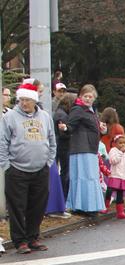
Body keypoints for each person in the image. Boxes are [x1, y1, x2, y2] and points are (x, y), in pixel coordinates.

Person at [0, 80, 57, 254]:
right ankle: (20, 241)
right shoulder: (9, 117)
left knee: (37, 205)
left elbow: (52, 140)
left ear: (34, 101)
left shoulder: (45, 117)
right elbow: (3, 142)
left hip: (40, 169)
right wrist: (7, 165)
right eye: (21, 100)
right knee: (17, 206)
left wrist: (49, 161)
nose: (24, 103)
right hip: (17, 169)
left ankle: (33, 237)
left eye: (28, 100)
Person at [66, 84, 105, 215]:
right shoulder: (78, 109)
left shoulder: (91, 110)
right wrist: (65, 128)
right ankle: (83, 207)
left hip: (90, 147)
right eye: (86, 96)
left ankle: (88, 206)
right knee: (84, 177)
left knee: (90, 177)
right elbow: (70, 126)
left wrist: (103, 130)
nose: (88, 99)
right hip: (81, 148)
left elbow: (93, 129)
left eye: (91, 97)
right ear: (80, 96)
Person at [106, 134, 125, 219]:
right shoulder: (113, 150)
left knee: (120, 193)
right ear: (115, 143)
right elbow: (113, 161)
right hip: (115, 175)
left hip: (123, 176)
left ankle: (120, 211)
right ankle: (105, 207)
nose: (123, 145)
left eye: (124, 143)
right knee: (110, 190)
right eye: (120, 143)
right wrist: (121, 152)